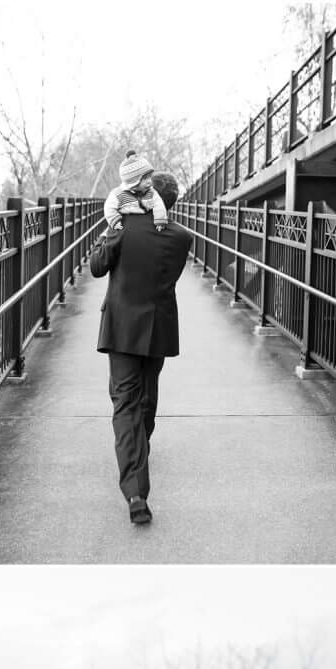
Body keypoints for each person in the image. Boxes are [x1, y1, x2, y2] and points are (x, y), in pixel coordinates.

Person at [89, 171, 192, 527]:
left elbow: (97, 267)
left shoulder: (122, 228)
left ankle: (136, 492)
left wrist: (111, 230)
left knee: (126, 402)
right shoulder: (182, 237)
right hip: (158, 329)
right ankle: (138, 451)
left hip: (121, 330)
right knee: (147, 398)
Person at [101, 149, 168, 235]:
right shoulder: (118, 194)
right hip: (126, 224)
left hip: (145, 223)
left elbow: (159, 205)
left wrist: (160, 220)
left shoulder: (151, 192)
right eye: (145, 178)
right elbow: (109, 207)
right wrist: (115, 221)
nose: (149, 181)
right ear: (133, 181)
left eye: (150, 177)